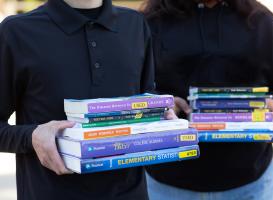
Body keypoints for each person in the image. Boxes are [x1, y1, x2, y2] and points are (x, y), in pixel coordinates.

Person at [0, 0, 160, 199]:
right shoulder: (16, 32)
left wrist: (160, 114)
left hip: (130, 193)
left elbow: (146, 99)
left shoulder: (135, 24)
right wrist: (32, 136)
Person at [141, 0, 273, 199]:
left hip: (251, 183)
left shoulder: (263, 24)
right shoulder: (150, 23)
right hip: (167, 184)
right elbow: (131, 89)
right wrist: (157, 104)